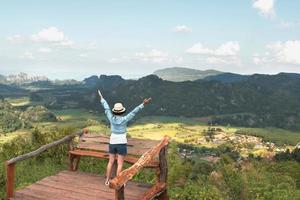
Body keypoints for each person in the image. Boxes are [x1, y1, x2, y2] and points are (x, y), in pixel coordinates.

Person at [97, 90, 152, 185]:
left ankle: (107, 180)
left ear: (115, 111)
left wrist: (102, 99)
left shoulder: (111, 117)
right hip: (121, 143)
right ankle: (118, 181)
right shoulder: (125, 119)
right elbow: (134, 112)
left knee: (110, 162)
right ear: (122, 111)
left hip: (112, 142)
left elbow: (106, 108)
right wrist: (143, 104)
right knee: (120, 163)